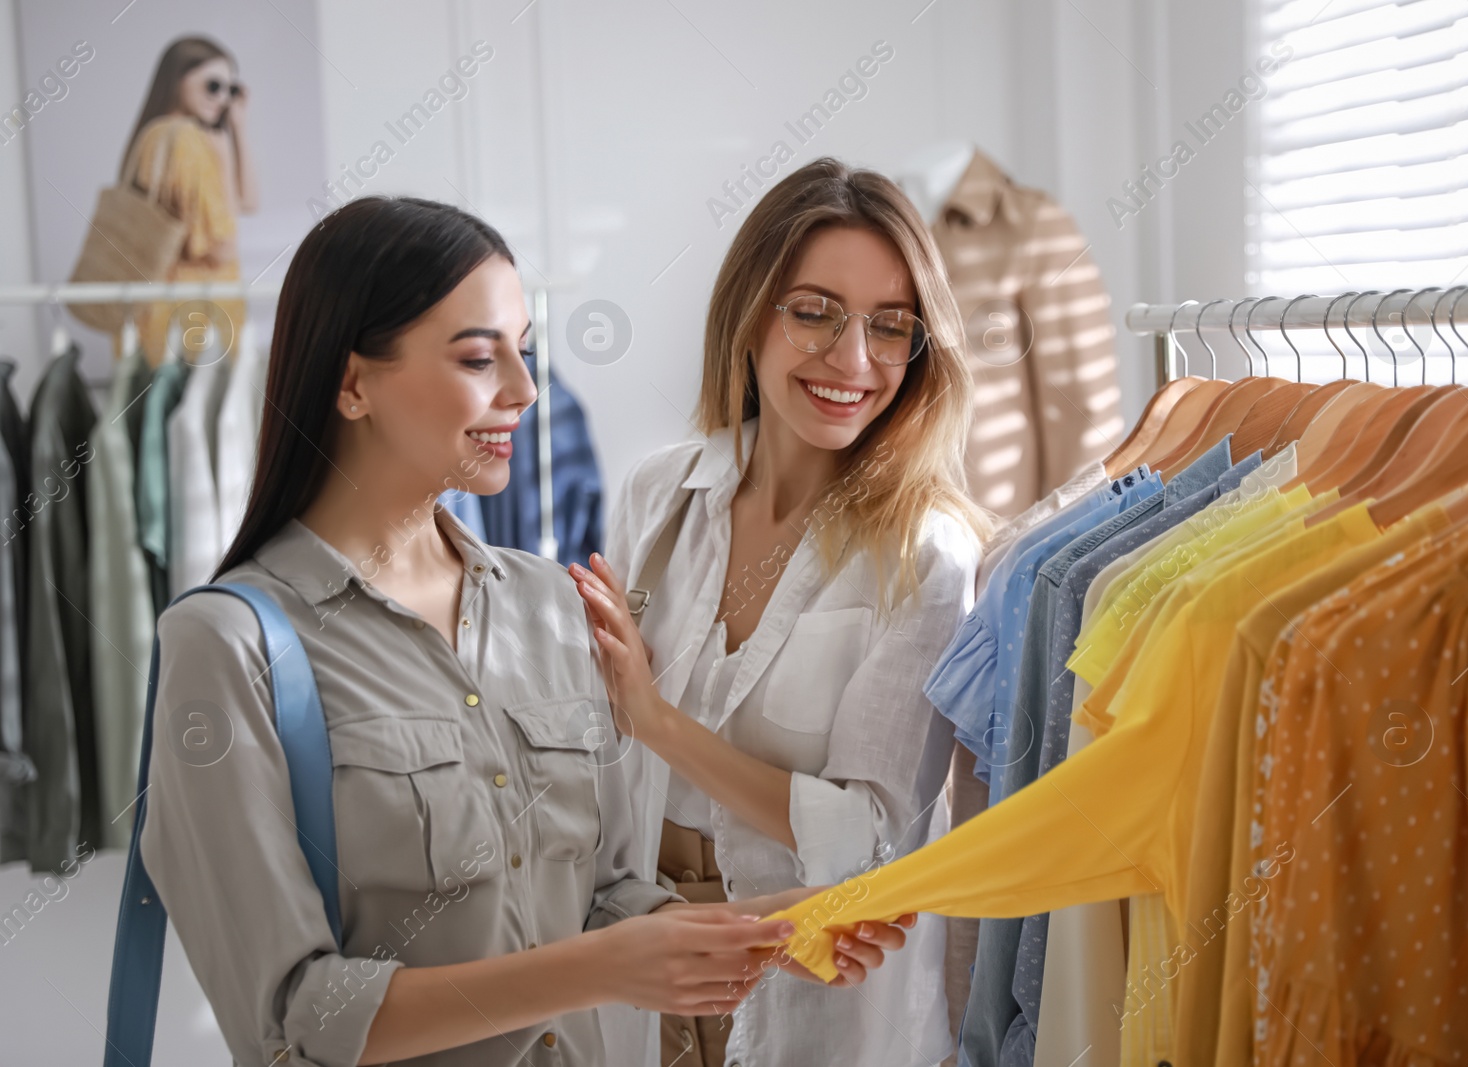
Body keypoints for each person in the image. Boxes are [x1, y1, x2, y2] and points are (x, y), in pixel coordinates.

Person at [140, 196, 908, 1067]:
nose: (525, 390)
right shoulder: (227, 647)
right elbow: (291, 1015)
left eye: (525, 351)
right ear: (352, 383)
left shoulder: (552, 606)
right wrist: (594, 967)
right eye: (479, 357)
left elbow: (610, 896)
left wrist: (764, 931)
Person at [569, 158, 991, 1067]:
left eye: (891, 326)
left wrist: (661, 722)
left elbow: (865, 841)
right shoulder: (661, 494)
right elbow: (605, 756)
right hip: (645, 961)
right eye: (814, 312)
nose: (854, 360)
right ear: (749, 313)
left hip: (811, 994)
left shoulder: (925, 555)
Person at [117, 36, 257, 361]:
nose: (223, 99)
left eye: (230, 89)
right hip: (194, 321)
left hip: (162, 317)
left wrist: (238, 130)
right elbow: (223, 246)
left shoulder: (153, 134)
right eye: (213, 86)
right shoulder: (184, 139)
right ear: (178, 79)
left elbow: (247, 203)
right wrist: (223, 163)